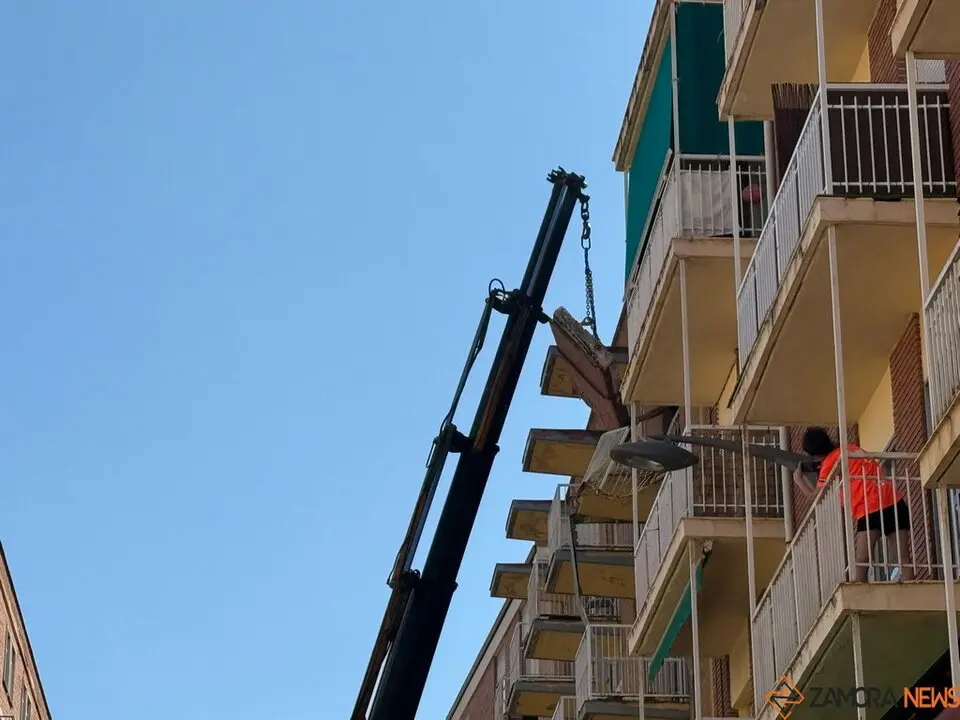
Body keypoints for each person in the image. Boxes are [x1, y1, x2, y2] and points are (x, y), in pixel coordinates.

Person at [797, 427, 914, 582]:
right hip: (894, 501)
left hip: (869, 509)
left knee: (862, 560)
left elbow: (815, 496)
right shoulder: (851, 448)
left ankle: (861, 598)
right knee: (902, 557)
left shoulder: (829, 462)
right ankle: (907, 588)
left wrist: (799, 480)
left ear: (814, 453)